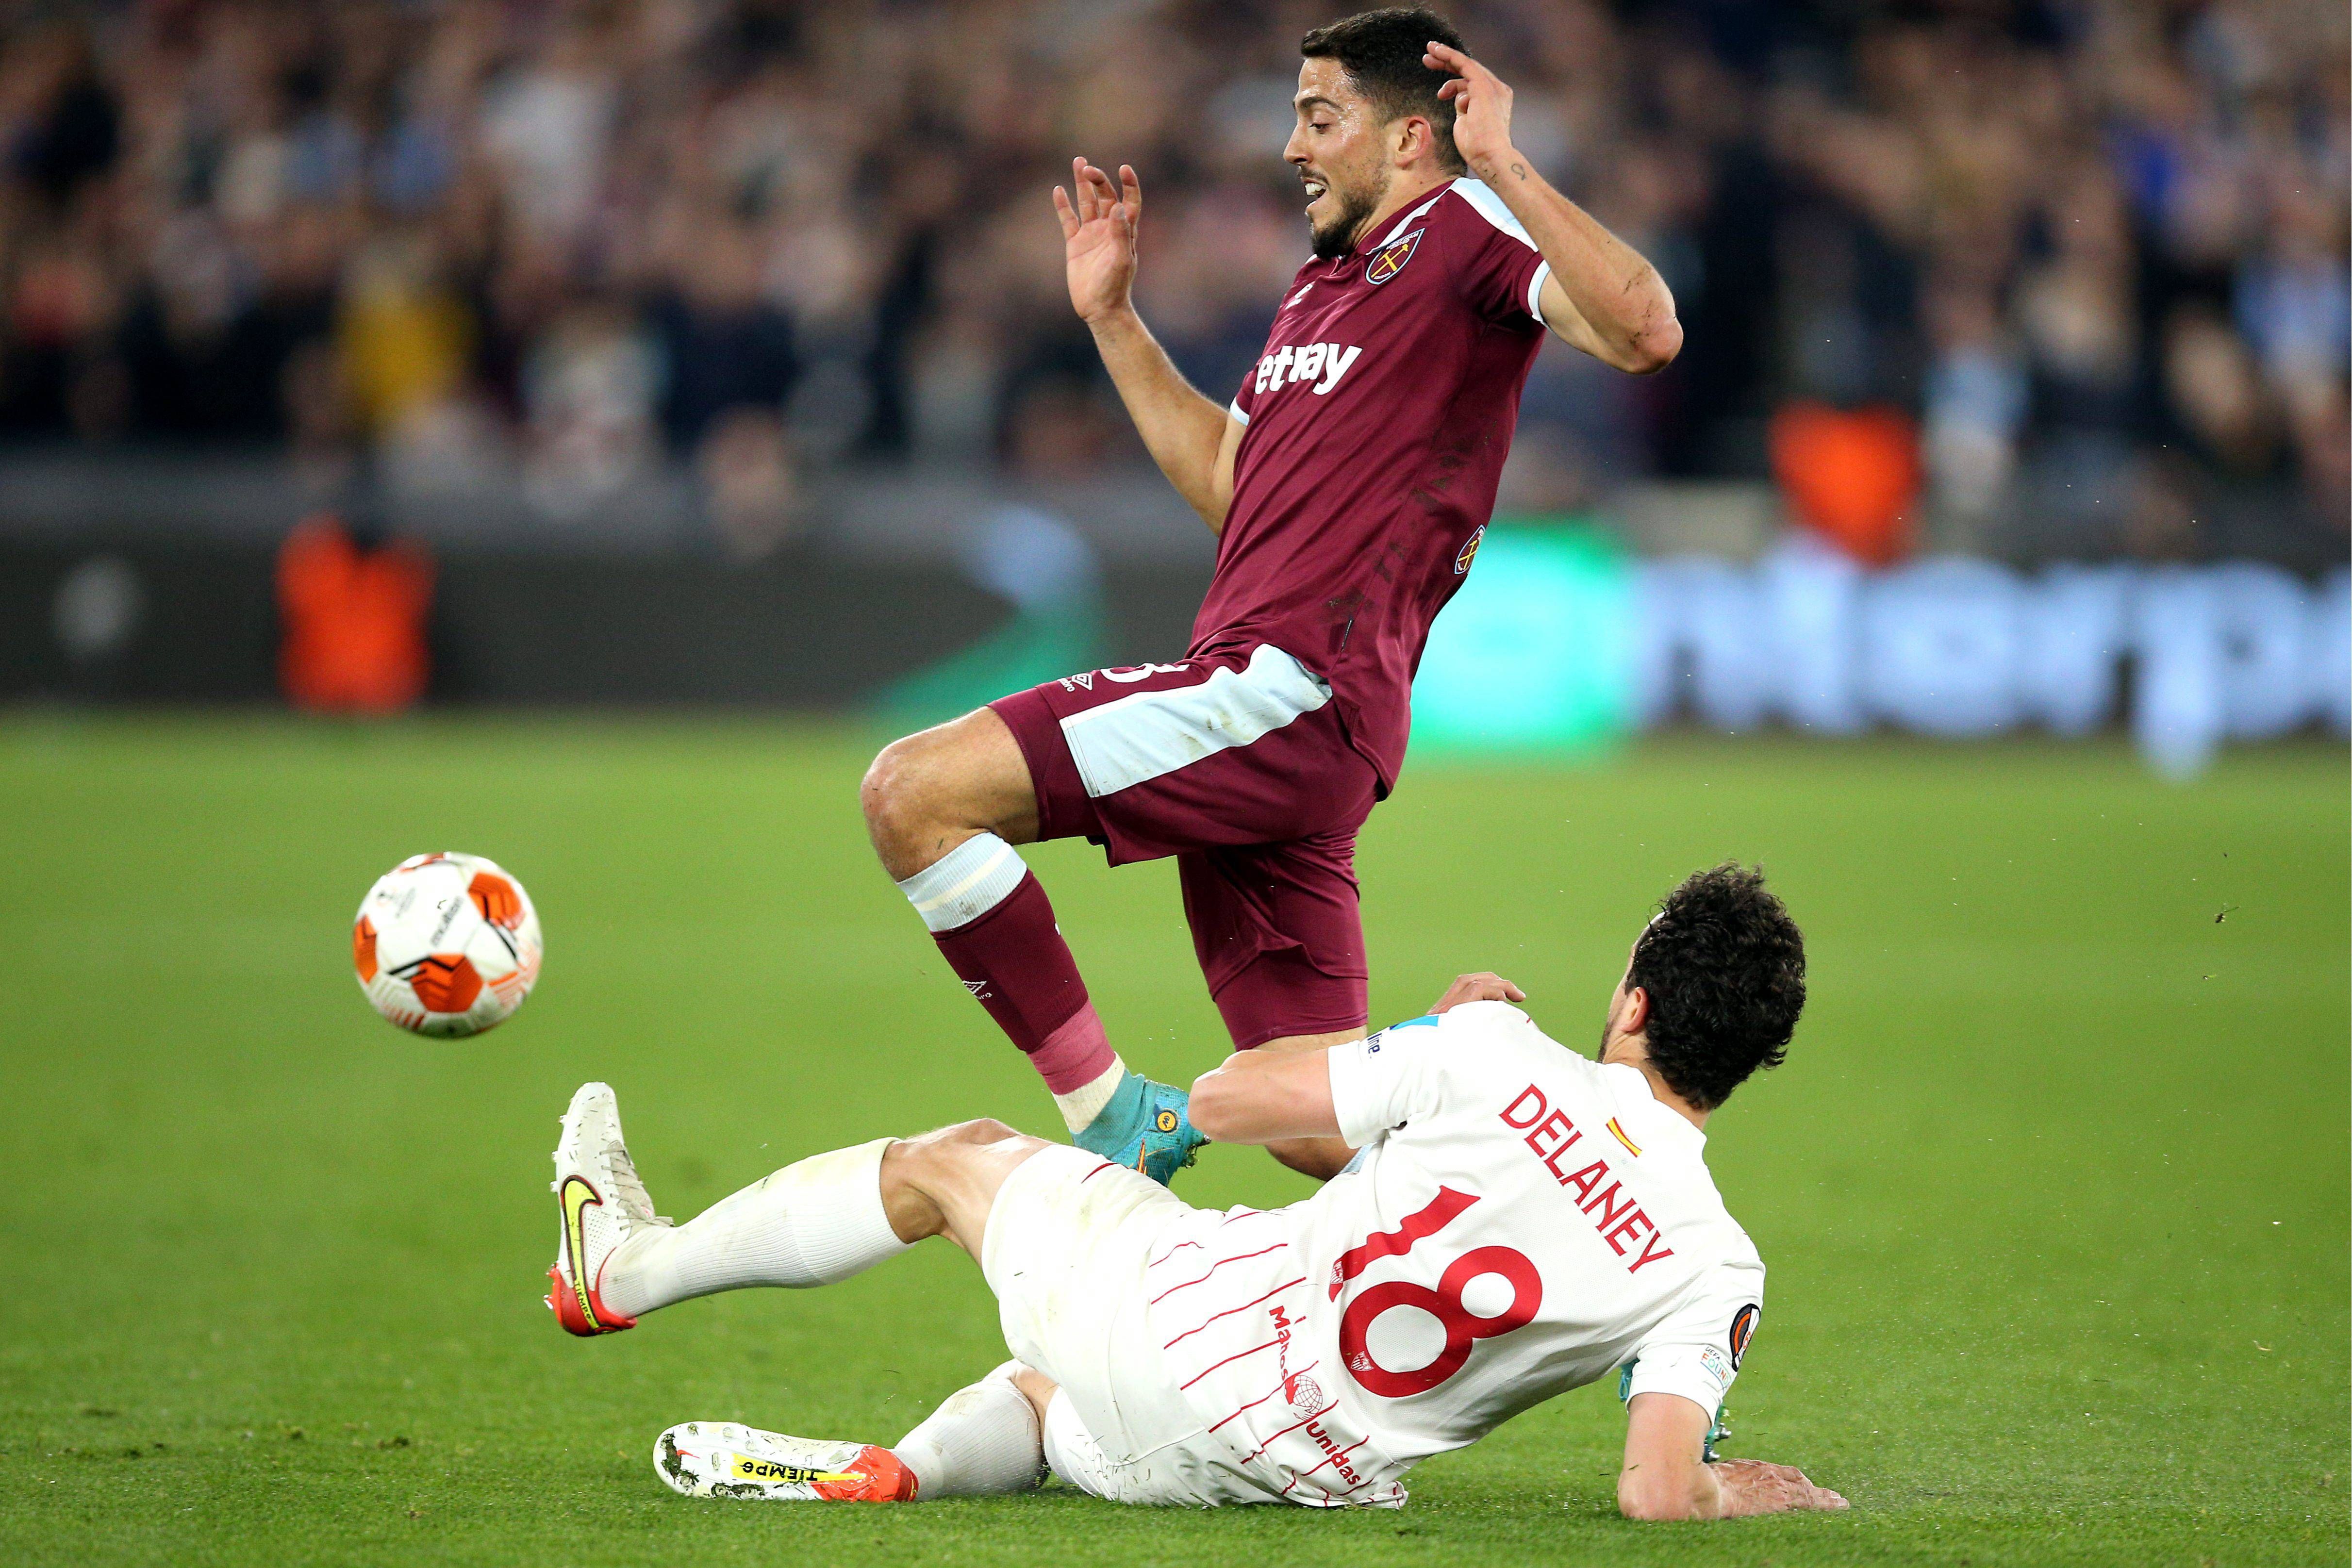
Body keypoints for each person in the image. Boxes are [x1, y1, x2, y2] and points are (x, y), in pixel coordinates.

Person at [858, 7, 1685, 1184]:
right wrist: (1114, 321)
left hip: (1286, 685)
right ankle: (1494, 1079)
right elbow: (1232, 487)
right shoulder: (1318, 291)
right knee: (1315, 1127)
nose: (1291, 147)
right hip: (1298, 721)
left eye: (1317, 117)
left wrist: (1499, 159)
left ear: (1409, 136)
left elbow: (1646, 327)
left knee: (913, 792)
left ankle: (1107, 1112)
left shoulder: (1467, 231)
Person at [545, 866, 1844, 1520]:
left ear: (1630, 1002)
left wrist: (1420, 1038)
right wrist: (1735, 1493)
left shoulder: (1497, 1053)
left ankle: (621, 1274)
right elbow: (1655, 1491)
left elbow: (1223, 1103)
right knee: (1054, 1398)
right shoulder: (1716, 1263)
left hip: (1183, 1329)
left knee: (953, 1160)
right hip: (1284, 1478)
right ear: (1746, 1062)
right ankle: (905, 1470)